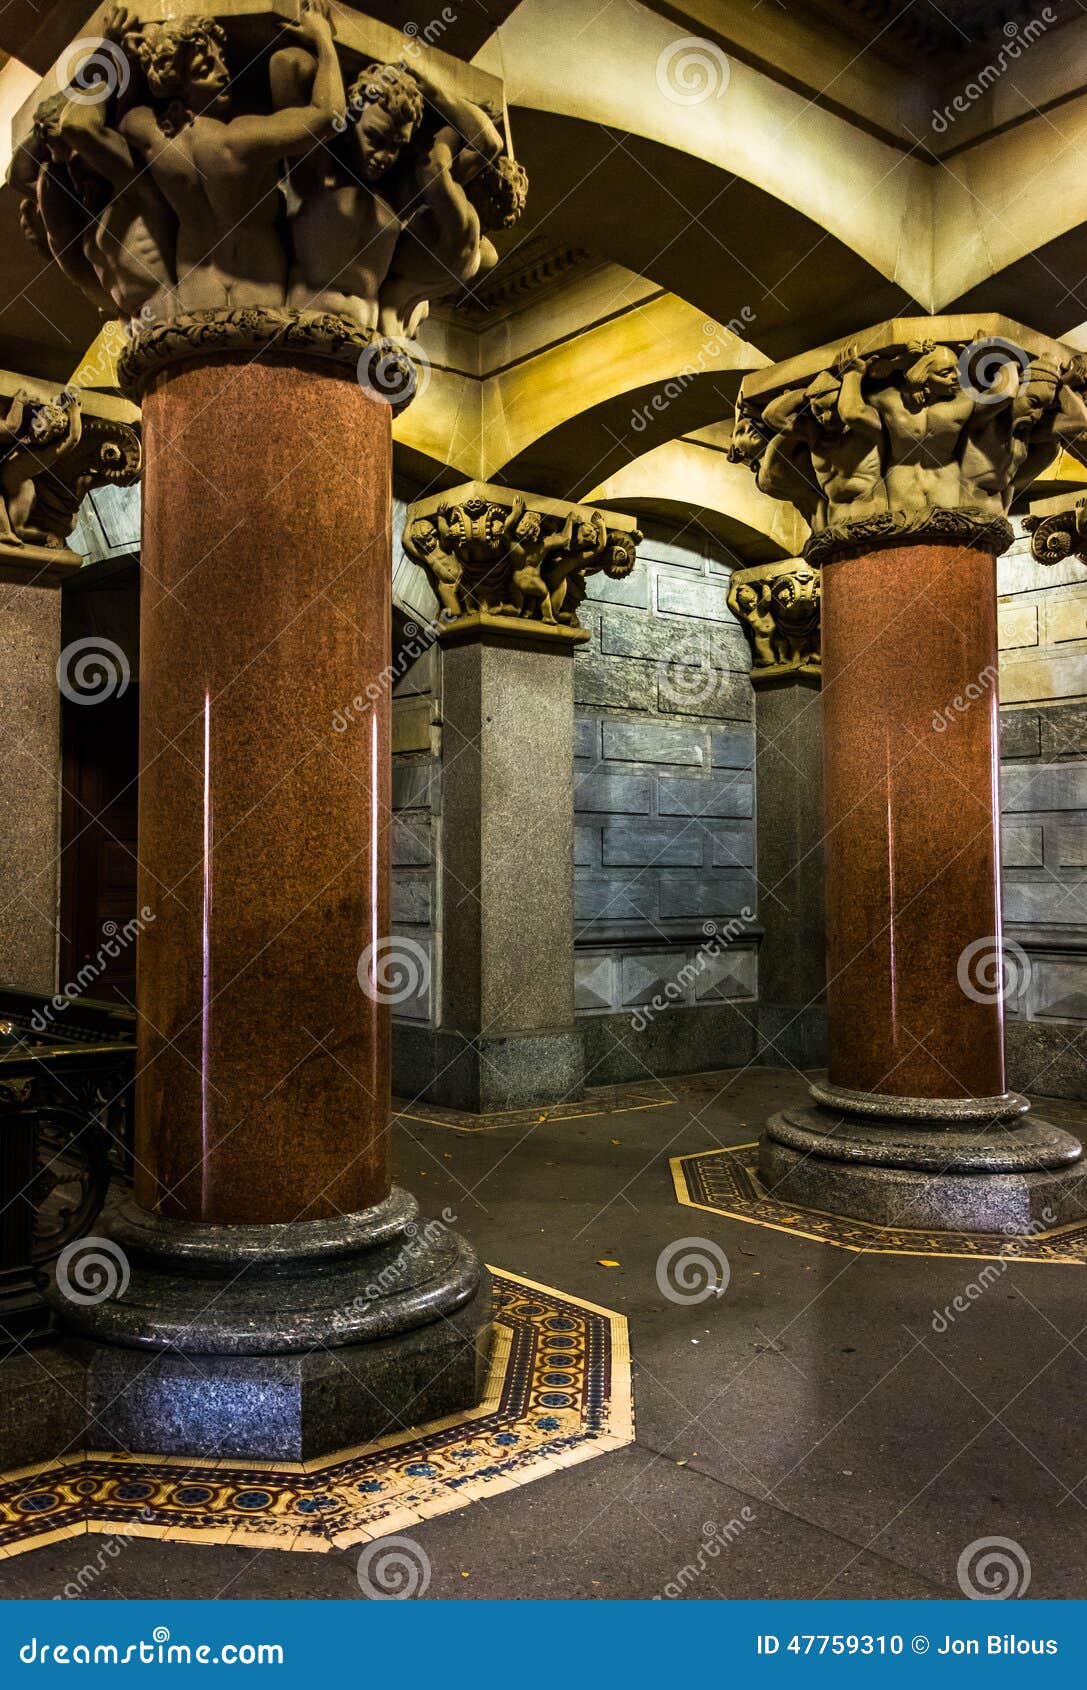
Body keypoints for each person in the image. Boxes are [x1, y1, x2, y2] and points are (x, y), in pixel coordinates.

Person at [108, 0, 345, 312]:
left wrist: (116, 52)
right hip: (258, 283)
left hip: (195, 289)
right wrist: (324, 39)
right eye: (205, 70)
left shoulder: (151, 135)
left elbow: (117, 117)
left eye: (221, 58)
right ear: (176, 84)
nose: (223, 72)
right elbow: (329, 115)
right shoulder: (239, 139)